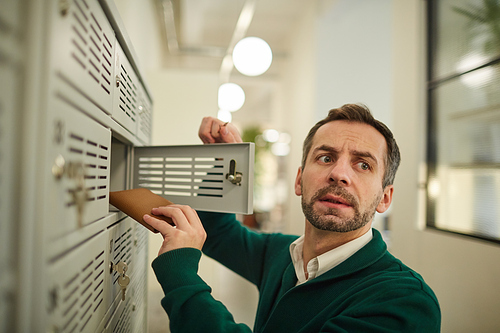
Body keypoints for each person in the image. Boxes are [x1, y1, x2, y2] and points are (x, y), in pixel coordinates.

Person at [143, 104, 441, 332]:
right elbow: (218, 233)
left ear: (385, 198)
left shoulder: (404, 302)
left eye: (363, 165)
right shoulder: (281, 255)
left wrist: (181, 278)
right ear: (299, 181)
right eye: (325, 158)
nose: (339, 174)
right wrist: (226, 163)